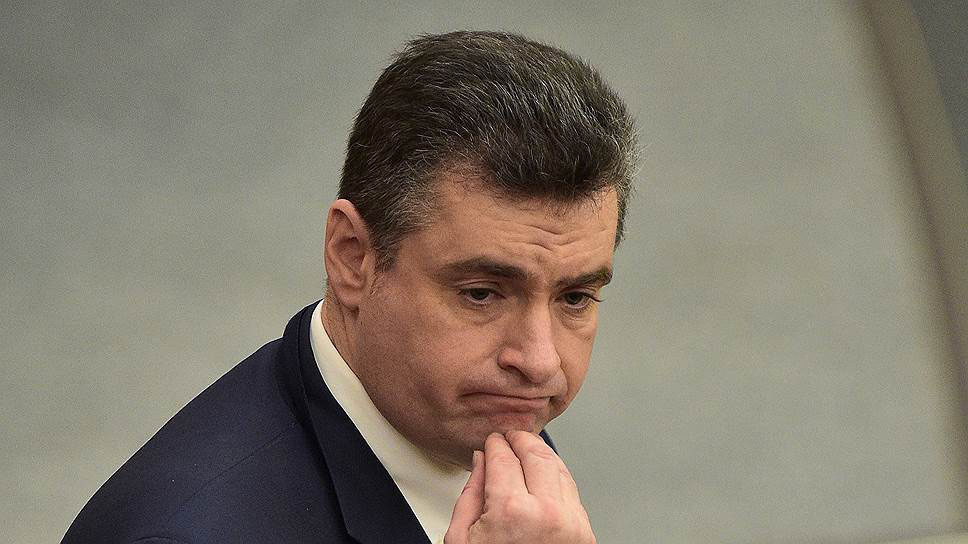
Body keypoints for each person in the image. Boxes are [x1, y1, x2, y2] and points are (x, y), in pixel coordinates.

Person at [62, 30, 636, 544]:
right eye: (481, 293)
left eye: (574, 298)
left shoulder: (486, 427)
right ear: (352, 257)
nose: (538, 362)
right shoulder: (181, 534)